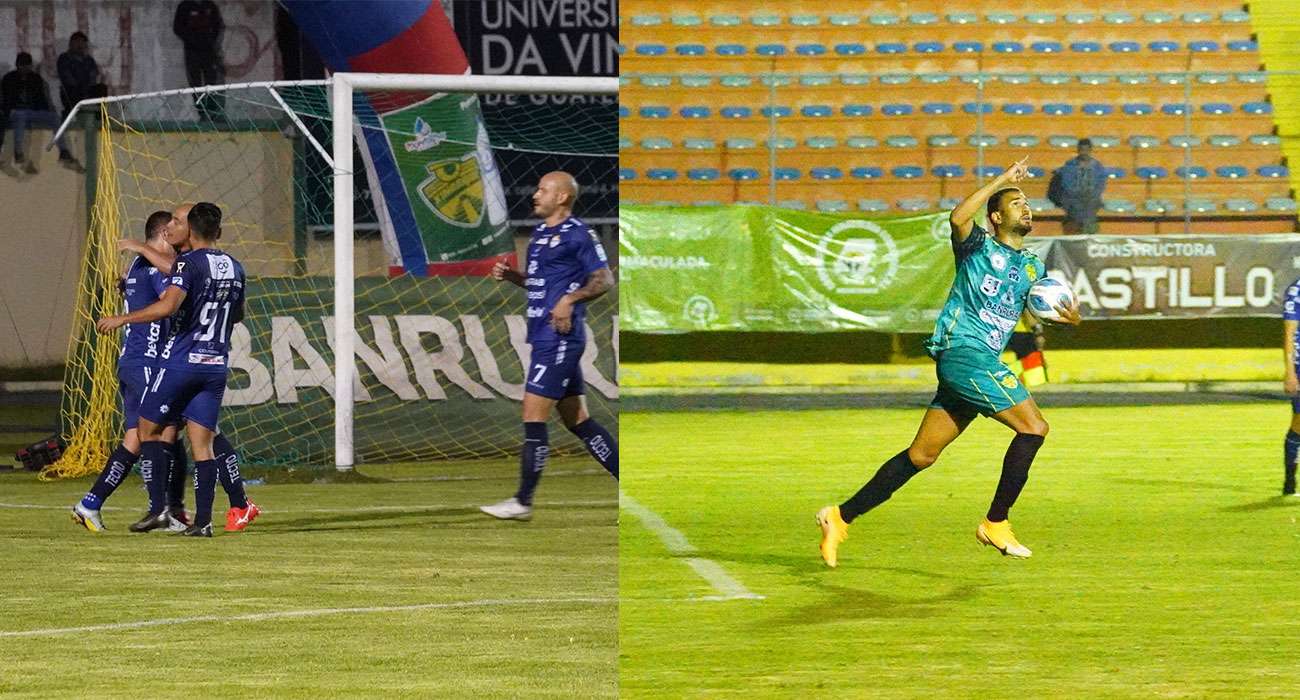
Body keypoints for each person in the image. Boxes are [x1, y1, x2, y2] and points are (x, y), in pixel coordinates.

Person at [816, 158, 1081, 566]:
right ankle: (996, 522)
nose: (1026, 208)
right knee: (1034, 427)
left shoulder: (1033, 266)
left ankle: (839, 516)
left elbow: (1033, 311)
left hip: (979, 362)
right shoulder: (978, 246)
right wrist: (1003, 179)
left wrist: (1067, 317)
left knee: (921, 456)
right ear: (996, 217)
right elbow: (958, 217)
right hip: (963, 353)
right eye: (1016, 203)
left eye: (1027, 203)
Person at [96, 202, 254, 537]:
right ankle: (204, 522)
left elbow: (167, 306)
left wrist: (123, 318)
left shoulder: (187, 263)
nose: (171, 227)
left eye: (178, 222)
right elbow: (238, 313)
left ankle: (160, 509)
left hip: (182, 363)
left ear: (191, 230)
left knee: (147, 430)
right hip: (215, 364)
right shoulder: (235, 265)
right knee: (203, 444)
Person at [480, 171, 619, 521]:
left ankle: (523, 501)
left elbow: (605, 279)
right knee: (579, 421)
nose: (535, 195)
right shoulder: (541, 234)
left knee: (533, 416)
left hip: (559, 339)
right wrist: (513, 277)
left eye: (543, 190)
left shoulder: (579, 233)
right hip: (544, 336)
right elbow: (541, 285)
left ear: (562, 197)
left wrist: (570, 300)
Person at [71, 211, 190, 532]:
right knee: (164, 433)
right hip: (149, 362)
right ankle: (161, 510)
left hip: (132, 363)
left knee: (135, 439)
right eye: (175, 230)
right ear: (163, 234)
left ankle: (90, 503)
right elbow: (173, 291)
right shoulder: (152, 265)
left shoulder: (137, 264)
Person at [0, 52, 83, 173]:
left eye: (26, 65)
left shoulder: (35, 78)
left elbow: (42, 99)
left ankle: (63, 150)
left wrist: (45, 110)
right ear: (17, 65)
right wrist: (8, 111)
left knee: (54, 117)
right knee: (20, 116)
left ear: (30, 66)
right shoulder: (9, 78)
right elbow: (6, 100)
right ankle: (18, 152)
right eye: (21, 65)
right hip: (15, 112)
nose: (24, 68)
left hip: (32, 111)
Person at [173, 0, 225, 121]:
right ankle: (202, 112)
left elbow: (218, 25)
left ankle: (213, 112)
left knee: (211, 82)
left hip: (209, 51)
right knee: (195, 83)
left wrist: (211, 40)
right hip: (192, 52)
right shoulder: (184, 6)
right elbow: (177, 28)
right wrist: (191, 39)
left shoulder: (210, 5)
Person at [1047, 138, 1106, 235]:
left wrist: (1091, 195)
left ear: (1090, 150)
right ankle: (1076, 233)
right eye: (1082, 150)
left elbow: (1100, 186)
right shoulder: (1070, 166)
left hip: (1091, 199)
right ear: (1078, 150)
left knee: (1091, 207)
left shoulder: (1098, 167)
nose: (1084, 153)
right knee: (1076, 209)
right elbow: (1067, 185)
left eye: (1086, 150)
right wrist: (1079, 194)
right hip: (1072, 198)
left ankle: (1088, 234)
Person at [56, 31, 108, 121]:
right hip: (72, 91)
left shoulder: (89, 60)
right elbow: (67, 78)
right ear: (71, 44)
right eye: (77, 42)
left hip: (87, 89)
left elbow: (93, 76)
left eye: (82, 43)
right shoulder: (64, 58)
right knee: (74, 89)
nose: (80, 45)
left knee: (102, 88)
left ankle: (101, 119)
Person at [1281, 278, 1300, 496]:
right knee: (1299, 423)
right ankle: (1289, 478)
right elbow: (1289, 333)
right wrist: (1290, 372)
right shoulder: (1296, 290)